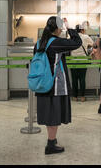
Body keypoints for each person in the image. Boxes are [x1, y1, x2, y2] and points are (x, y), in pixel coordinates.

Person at [34, 16, 82, 155]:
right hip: (54, 85)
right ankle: (50, 144)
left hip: (42, 83)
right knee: (53, 114)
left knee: (49, 113)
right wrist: (71, 28)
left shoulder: (39, 42)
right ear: (58, 28)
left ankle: (52, 140)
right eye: (61, 27)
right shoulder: (56, 42)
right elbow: (77, 42)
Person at [70, 24, 94, 102]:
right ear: (82, 30)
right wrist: (89, 52)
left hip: (73, 60)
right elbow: (93, 45)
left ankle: (74, 96)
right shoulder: (86, 37)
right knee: (82, 79)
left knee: (74, 79)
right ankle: (83, 97)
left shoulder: (71, 38)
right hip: (83, 60)